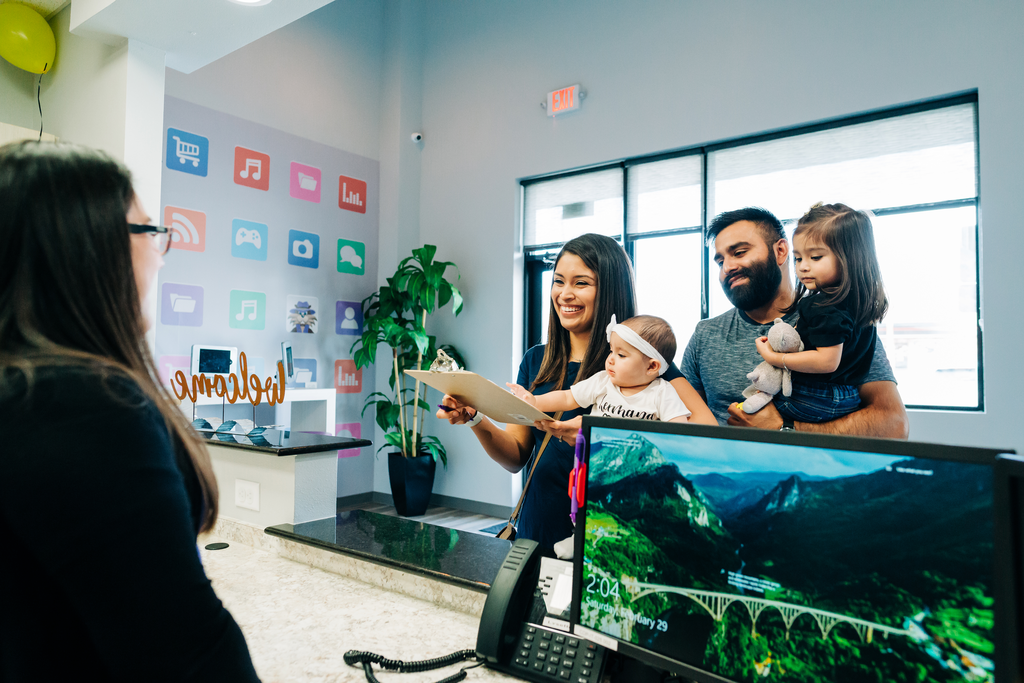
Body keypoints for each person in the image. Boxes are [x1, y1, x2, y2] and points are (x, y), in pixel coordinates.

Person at [0, 141, 261, 681]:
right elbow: (188, 655)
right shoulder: (85, 406)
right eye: (148, 230)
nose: (161, 252)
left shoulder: (23, 389)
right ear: (88, 249)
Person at [437, 234, 716, 555]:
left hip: (613, 538)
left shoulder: (640, 364)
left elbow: (703, 435)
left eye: (581, 283)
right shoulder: (535, 360)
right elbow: (516, 456)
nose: (564, 294)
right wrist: (475, 417)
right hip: (537, 534)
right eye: (558, 281)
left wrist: (597, 434)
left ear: (610, 289)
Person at [681, 206, 909, 437]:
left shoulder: (843, 318)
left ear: (780, 251)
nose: (727, 268)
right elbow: (681, 421)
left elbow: (894, 426)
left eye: (739, 252)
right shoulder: (705, 334)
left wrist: (785, 429)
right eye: (720, 261)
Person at [752, 203, 888, 423]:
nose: (803, 267)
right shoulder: (858, 304)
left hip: (814, 397)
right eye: (798, 258)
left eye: (815, 258)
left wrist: (775, 357)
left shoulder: (823, 305)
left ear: (849, 258)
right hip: (849, 398)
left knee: (753, 407)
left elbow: (827, 362)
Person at [509, 314, 691, 423]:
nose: (610, 359)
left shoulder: (662, 393)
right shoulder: (603, 381)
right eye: (611, 351)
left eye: (621, 355)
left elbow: (677, 431)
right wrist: (534, 401)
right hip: (594, 460)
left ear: (651, 366)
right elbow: (566, 397)